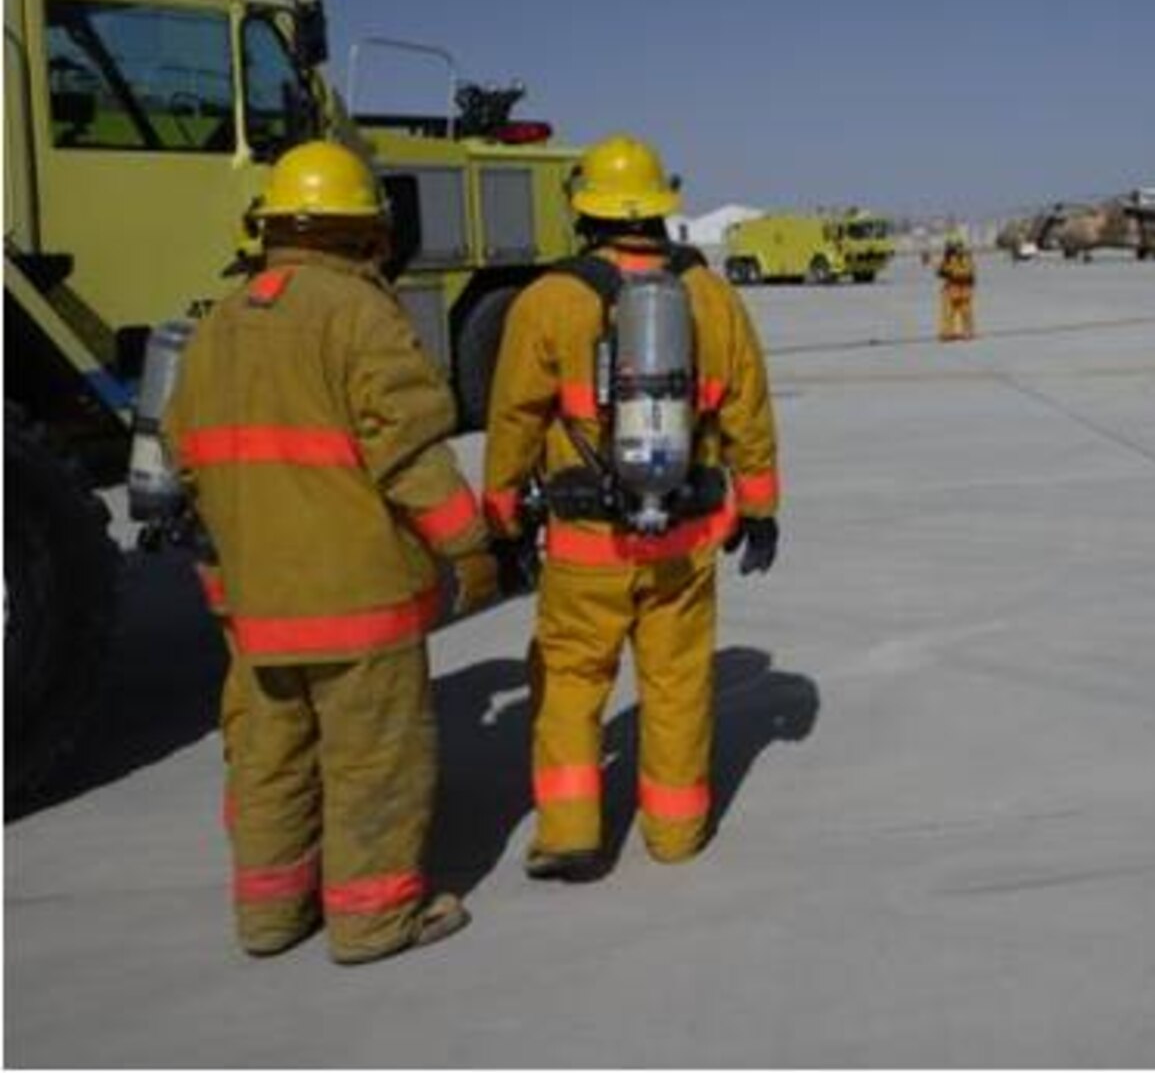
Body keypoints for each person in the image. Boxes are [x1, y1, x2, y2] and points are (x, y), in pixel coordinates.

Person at [165, 140, 492, 964]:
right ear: (363, 233)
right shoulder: (360, 313)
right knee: (373, 761)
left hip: (257, 606)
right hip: (357, 601)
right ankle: (373, 921)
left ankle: (270, 919)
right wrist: (472, 546)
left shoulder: (218, 323)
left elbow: (182, 460)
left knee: (270, 760)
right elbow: (410, 449)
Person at [484, 133, 780, 879]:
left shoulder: (549, 299)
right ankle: (676, 834)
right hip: (685, 540)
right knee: (677, 685)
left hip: (587, 545)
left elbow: (513, 418)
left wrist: (503, 519)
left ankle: (571, 833)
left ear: (585, 210)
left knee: (572, 686)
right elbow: (748, 407)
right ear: (659, 207)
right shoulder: (711, 295)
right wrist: (763, 507)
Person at [937, 234, 977, 341]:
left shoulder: (966, 257)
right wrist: (944, 271)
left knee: (966, 312)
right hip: (951, 289)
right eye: (950, 246)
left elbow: (970, 271)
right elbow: (941, 271)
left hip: (963, 289)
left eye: (955, 246)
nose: (954, 249)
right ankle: (947, 333)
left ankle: (967, 332)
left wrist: (956, 274)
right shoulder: (948, 258)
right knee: (948, 313)